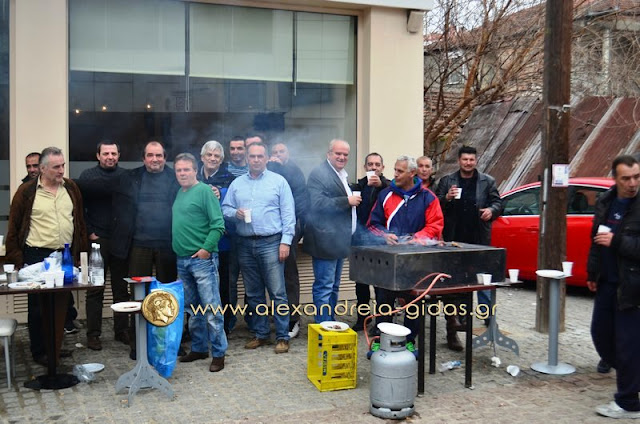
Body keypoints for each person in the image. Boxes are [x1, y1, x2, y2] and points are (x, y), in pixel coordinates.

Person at [5, 147, 88, 365]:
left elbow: (79, 222)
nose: (61, 170)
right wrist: (17, 260)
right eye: (56, 167)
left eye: (63, 165)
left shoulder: (70, 188)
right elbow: (14, 227)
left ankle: (55, 347)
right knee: (38, 308)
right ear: (42, 169)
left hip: (64, 255)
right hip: (37, 256)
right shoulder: (26, 191)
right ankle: (39, 351)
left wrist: (80, 254)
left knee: (60, 306)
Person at [221, 142, 295, 354]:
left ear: (266, 158)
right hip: (244, 243)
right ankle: (261, 333)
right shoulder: (237, 183)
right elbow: (225, 208)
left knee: (277, 292)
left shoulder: (278, 182)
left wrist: (286, 242)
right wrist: (235, 213)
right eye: (252, 156)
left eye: (259, 156)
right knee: (253, 293)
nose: (255, 160)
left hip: (271, 242)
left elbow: (289, 214)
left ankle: (282, 336)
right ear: (247, 159)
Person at [110, 140, 180, 359]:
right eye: (150, 155)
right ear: (143, 158)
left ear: (165, 158)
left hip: (167, 245)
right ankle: (138, 344)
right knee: (138, 297)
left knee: (166, 296)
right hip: (139, 245)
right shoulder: (131, 177)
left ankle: (167, 343)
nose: (154, 159)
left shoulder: (175, 178)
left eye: (158, 155)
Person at [367, 156, 444, 349]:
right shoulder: (385, 195)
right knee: (384, 300)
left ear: (412, 173)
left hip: (416, 260)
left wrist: (416, 238)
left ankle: (409, 342)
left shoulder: (428, 197)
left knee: (414, 302)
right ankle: (381, 341)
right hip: (389, 258)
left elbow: (435, 226)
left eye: (399, 171)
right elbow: (373, 224)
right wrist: (384, 235)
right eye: (395, 170)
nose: (395, 174)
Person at [588, 155, 640, 419]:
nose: (632, 184)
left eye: (637, 177)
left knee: (627, 344)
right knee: (600, 334)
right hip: (607, 282)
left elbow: (618, 242)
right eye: (626, 178)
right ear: (615, 179)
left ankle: (628, 402)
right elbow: (596, 239)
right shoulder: (606, 201)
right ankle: (632, 377)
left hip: (632, 286)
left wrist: (616, 241)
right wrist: (592, 271)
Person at [435, 145, 502, 324]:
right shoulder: (447, 181)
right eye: (465, 159)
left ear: (476, 161)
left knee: (483, 277)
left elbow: (498, 203)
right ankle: (461, 314)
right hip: (454, 238)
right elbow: (436, 206)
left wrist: (491, 210)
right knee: (457, 278)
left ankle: (487, 316)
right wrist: (447, 198)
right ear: (459, 161)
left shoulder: (487, 181)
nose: (468, 163)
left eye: (471, 159)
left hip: (478, 237)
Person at [173, 153, 227, 372]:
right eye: (179, 170)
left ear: (195, 170)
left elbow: (218, 224)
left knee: (212, 308)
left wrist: (206, 249)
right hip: (183, 260)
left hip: (202, 261)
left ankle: (219, 353)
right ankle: (199, 348)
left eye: (186, 169)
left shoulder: (205, 191)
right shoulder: (180, 192)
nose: (182, 173)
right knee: (193, 308)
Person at [76, 141, 129, 351]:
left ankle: (122, 330)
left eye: (113, 153)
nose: (110, 157)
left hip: (120, 240)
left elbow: (131, 207)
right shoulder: (87, 177)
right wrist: (90, 231)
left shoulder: (126, 177)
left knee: (121, 289)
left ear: (119, 155)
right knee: (95, 289)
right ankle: (93, 334)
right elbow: (80, 208)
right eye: (105, 153)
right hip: (97, 241)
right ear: (98, 155)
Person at [305, 139, 361, 323]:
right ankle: (323, 327)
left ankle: (330, 321)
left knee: (334, 286)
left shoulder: (341, 174)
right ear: (329, 154)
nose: (342, 157)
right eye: (338, 153)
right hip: (325, 242)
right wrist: (347, 201)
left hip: (338, 241)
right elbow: (317, 203)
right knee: (324, 287)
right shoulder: (319, 174)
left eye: (345, 154)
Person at [269, 142, 310, 338]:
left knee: (289, 275)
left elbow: (298, 204)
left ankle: (293, 319)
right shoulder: (268, 170)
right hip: (270, 231)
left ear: (288, 153)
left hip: (289, 230)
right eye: (274, 152)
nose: (278, 155)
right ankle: (277, 315)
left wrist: (294, 230)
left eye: (281, 151)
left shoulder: (293, 171)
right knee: (272, 276)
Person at [198, 140, 236, 334]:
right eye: (209, 155)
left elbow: (235, 208)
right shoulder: (194, 176)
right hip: (198, 242)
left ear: (221, 160)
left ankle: (224, 326)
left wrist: (221, 193)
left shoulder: (230, 179)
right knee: (198, 287)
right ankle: (198, 327)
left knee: (223, 286)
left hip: (223, 244)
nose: (212, 159)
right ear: (202, 157)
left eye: (217, 156)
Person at [350, 152, 389, 331]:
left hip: (380, 241)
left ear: (382, 167)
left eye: (377, 164)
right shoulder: (358, 186)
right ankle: (362, 319)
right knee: (361, 284)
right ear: (365, 167)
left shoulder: (388, 187)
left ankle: (381, 321)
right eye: (370, 164)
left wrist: (381, 185)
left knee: (381, 285)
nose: (374, 167)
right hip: (359, 241)